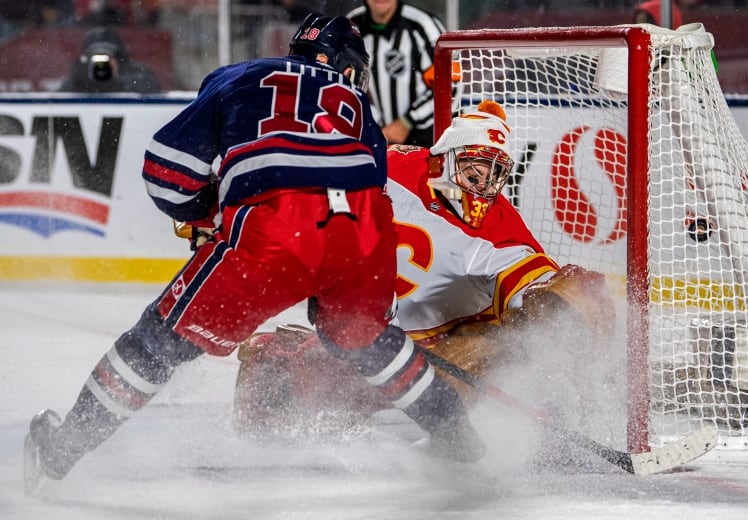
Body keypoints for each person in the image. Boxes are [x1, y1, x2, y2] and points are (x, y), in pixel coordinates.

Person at [23, 13, 484, 497]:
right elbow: (373, 191)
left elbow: (165, 172)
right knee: (372, 344)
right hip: (364, 232)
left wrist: (210, 214)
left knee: (156, 342)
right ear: (347, 65)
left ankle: (61, 449)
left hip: (275, 226)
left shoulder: (239, 77)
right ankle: (466, 446)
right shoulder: (358, 104)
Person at [232, 100, 615, 434]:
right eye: (474, 171)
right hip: (372, 341)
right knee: (273, 368)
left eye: (495, 175)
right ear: (444, 159)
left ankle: (461, 431)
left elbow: (538, 290)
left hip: (438, 349)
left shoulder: (499, 230)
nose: (483, 187)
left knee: (487, 352)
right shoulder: (392, 165)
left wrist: (556, 300)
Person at [348, 0, 445, 147]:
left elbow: (450, 84)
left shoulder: (423, 25)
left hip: (425, 142)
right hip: (372, 142)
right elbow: (343, 83)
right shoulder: (351, 27)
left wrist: (407, 122)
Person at [58, 26, 162, 94]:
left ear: (119, 58)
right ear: (86, 60)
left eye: (107, 57)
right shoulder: (80, 78)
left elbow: (151, 89)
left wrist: (116, 82)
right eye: (95, 57)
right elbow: (60, 100)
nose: (101, 64)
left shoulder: (138, 73)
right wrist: (81, 80)